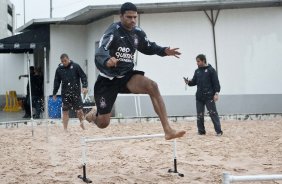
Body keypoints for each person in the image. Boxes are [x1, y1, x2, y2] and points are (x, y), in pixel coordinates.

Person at [85, 2, 186, 140]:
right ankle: (94, 115)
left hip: (126, 76)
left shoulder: (137, 33)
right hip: (107, 81)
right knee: (103, 123)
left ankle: (168, 130)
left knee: (153, 86)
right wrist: (107, 60)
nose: (132, 20)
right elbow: (101, 50)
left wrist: (164, 51)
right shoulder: (113, 31)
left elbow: (148, 46)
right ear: (121, 16)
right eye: (129, 17)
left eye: (135, 17)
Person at [184, 54, 223, 136]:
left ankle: (219, 131)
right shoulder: (197, 71)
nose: (197, 63)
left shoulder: (211, 70)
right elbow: (194, 82)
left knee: (213, 113)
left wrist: (216, 93)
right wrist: (188, 82)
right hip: (199, 97)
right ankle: (201, 131)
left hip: (209, 96)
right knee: (200, 114)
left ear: (203, 60)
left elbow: (216, 83)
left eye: (198, 61)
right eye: (196, 61)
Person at [53, 53, 88, 131]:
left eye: (65, 61)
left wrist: (85, 86)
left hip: (76, 93)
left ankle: (82, 125)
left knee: (79, 111)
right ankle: (65, 128)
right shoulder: (59, 69)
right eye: (62, 61)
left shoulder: (76, 66)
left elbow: (83, 76)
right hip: (65, 94)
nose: (64, 63)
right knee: (65, 111)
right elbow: (56, 82)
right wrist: (54, 93)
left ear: (68, 59)